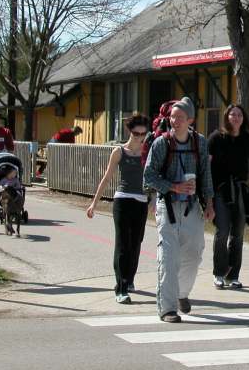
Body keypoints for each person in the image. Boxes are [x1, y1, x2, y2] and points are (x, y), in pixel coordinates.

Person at [144, 97, 214, 323]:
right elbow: (149, 176)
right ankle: (167, 308)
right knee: (169, 257)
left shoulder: (199, 142)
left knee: (194, 254)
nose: (174, 121)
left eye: (180, 117)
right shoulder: (161, 143)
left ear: (190, 119)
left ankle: (182, 294)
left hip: (192, 207)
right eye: (172, 117)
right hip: (168, 207)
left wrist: (210, 203)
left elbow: (206, 173)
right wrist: (173, 186)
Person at [86, 113, 151, 305]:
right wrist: (93, 204)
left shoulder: (148, 152)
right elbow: (106, 178)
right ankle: (121, 287)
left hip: (141, 201)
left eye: (143, 134)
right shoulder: (119, 152)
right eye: (136, 133)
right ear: (129, 131)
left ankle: (129, 279)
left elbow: (153, 178)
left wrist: (154, 200)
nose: (140, 137)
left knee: (136, 242)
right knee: (123, 243)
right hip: (122, 200)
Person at [208, 104, 249, 290]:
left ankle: (232, 276)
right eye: (232, 114)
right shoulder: (216, 138)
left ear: (243, 118)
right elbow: (205, 164)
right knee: (222, 231)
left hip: (240, 189)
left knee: (238, 233)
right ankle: (219, 273)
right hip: (220, 190)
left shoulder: (247, 139)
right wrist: (206, 192)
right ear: (227, 116)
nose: (236, 117)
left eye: (239, 114)